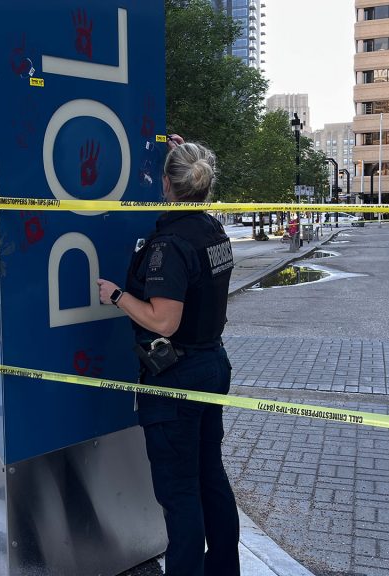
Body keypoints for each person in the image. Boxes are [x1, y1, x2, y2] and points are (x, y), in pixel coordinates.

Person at [97, 135, 239, 576]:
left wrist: (117, 295)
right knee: (210, 478)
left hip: (177, 379)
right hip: (211, 365)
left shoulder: (170, 244)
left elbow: (163, 320)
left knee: (180, 493)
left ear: (166, 184)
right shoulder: (211, 227)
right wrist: (184, 153)